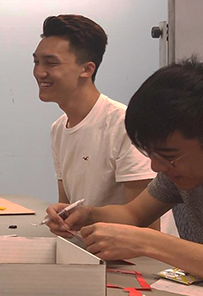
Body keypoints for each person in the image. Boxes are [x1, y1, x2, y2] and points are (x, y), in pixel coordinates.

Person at [45, 59, 203, 274]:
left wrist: (145, 242)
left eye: (168, 155)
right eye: (151, 153)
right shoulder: (177, 171)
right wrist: (87, 214)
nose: (156, 167)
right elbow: (134, 214)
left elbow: (143, 232)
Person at [33, 15, 154, 208]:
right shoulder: (58, 129)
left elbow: (144, 226)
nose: (39, 72)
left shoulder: (125, 125)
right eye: (36, 62)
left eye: (51, 63)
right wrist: (60, 217)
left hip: (126, 239)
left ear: (87, 69)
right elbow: (67, 205)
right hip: (84, 239)